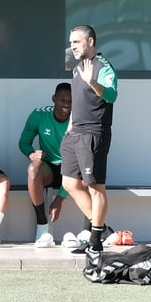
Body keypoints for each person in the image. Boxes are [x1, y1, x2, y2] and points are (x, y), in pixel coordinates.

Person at [61, 24, 118, 264]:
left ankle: (95, 241)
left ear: (91, 42)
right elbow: (78, 100)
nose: (72, 46)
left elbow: (112, 95)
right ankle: (103, 230)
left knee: (95, 187)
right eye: (71, 42)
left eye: (77, 42)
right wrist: (70, 125)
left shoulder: (103, 68)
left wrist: (93, 82)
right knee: (70, 183)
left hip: (94, 134)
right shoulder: (77, 68)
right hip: (75, 134)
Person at [19, 83, 89, 247]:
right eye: (62, 100)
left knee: (89, 175)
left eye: (70, 101)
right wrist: (31, 154)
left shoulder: (79, 120)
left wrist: (59, 199)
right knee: (33, 169)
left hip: (73, 169)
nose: (66, 105)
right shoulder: (39, 115)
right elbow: (23, 142)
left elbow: (81, 161)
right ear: (54, 99)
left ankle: (88, 232)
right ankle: (42, 229)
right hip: (49, 169)